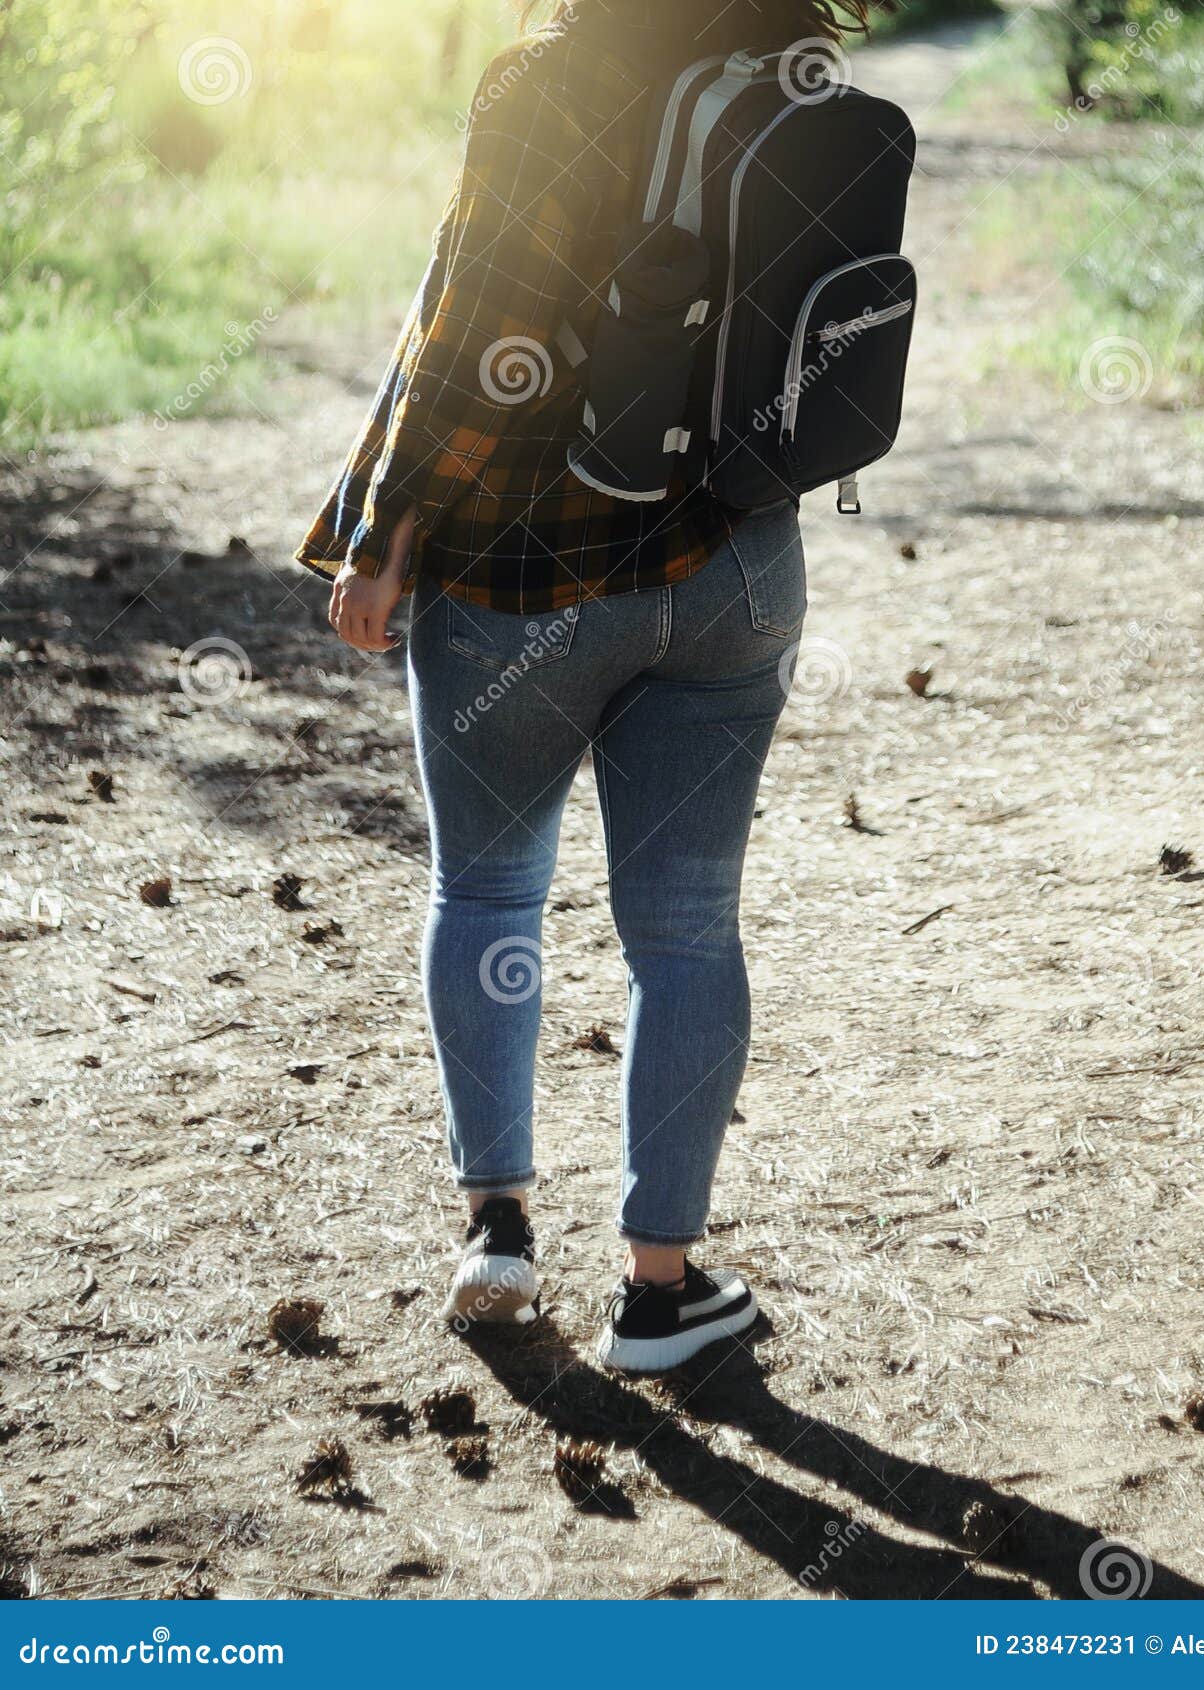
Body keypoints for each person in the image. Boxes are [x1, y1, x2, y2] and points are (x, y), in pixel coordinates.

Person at [294, 0, 871, 1373]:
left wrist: (381, 531)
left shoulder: (546, 84)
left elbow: (474, 333)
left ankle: (498, 1234)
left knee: (490, 893)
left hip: (529, 575)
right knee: (688, 929)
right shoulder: (786, 79)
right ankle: (660, 1295)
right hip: (735, 566)